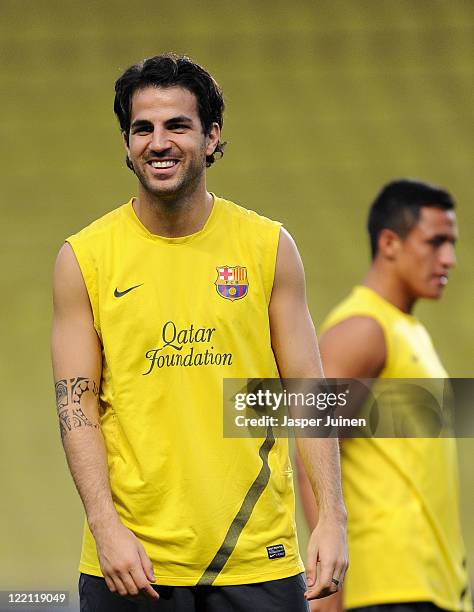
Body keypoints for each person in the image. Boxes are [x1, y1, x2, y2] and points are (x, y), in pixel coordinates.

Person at [51, 53, 348, 612]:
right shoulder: (83, 258)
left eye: (177, 126)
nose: (158, 142)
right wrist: (104, 527)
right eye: (143, 128)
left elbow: (308, 388)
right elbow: (76, 407)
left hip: (256, 558)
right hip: (130, 563)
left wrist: (332, 519)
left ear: (212, 138)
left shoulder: (268, 247)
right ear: (127, 143)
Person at [297, 178, 472, 612]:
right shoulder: (363, 330)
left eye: (452, 243)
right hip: (388, 591)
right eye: (435, 242)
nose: (449, 258)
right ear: (390, 242)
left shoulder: (404, 330)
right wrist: (329, 586)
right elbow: (310, 440)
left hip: (428, 589)